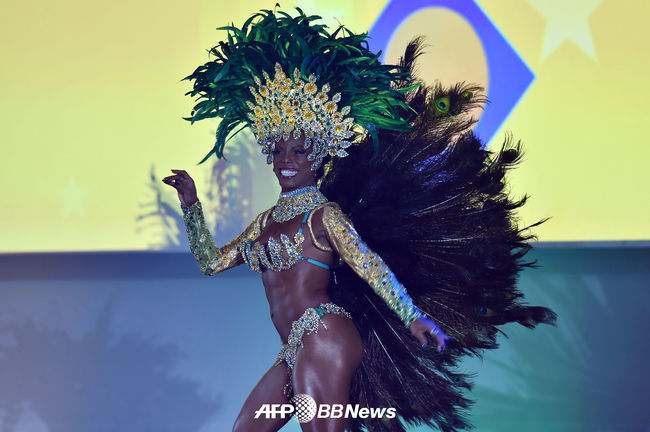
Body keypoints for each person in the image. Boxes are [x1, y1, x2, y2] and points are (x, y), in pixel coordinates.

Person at [163, 8, 557, 432]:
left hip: (323, 335)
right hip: (294, 347)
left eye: (298, 150)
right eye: (278, 150)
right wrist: (192, 206)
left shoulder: (323, 217)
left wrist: (411, 316)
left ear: (318, 155)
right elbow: (211, 262)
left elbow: (369, 265)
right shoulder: (264, 223)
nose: (286, 160)